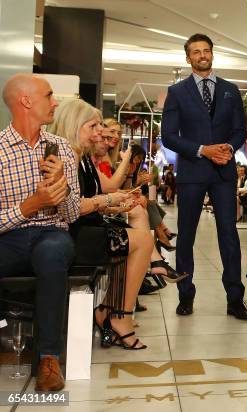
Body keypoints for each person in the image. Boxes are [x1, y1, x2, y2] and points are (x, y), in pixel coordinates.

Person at [47, 98, 154, 351]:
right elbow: (72, 207)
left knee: (138, 233)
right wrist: (108, 200)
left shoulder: (80, 156)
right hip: (72, 234)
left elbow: (92, 197)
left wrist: (116, 203)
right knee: (143, 240)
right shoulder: (67, 157)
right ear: (75, 125)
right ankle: (119, 315)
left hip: (83, 227)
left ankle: (113, 310)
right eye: (93, 126)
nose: (99, 132)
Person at [162, 33, 247, 319]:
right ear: (188, 58)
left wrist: (227, 148)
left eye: (206, 51)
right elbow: (168, 136)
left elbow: (240, 130)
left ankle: (235, 299)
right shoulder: (177, 92)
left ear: (212, 54)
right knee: (186, 236)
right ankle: (185, 295)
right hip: (191, 172)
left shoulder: (230, 90)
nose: (202, 55)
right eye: (196, 52)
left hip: (223, 172)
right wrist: (202, 150)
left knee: (229, 235)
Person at [0, 74, 80, 391]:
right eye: (49, 95)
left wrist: (62, 191)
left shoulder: (61, 148)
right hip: (9, 236)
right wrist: (31, 205)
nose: (56, 102)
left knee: (50, 253)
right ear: (26, 101)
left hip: (52, 234)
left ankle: (48, 358)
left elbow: (72, 215)